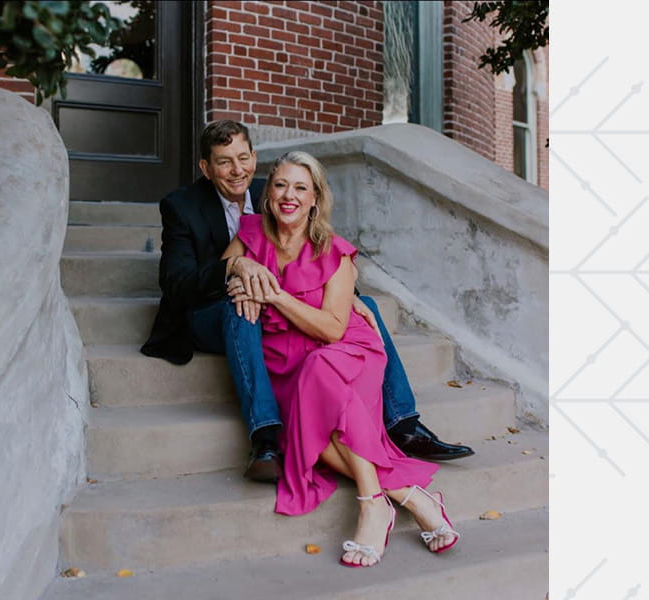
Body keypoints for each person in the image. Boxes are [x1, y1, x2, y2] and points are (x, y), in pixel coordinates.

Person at [140, 120, 473, 485]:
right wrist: (235, 269)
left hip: (272, 302)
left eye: (243, 158)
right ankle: (265, 436)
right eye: (224, 162)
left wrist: (351, 296)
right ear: (206, 168)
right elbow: (175, 283)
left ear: (254, 156)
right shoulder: (181, 206)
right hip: (211, 308)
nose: (238, 171)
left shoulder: (275, 189)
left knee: (367, 310)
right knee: (242, 310)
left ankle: (403, 423)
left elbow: (310, 252)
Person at [221, 150, 458, 566]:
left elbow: (332, 328)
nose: (288, 195)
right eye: (280, 185)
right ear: (269, 192)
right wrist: (239, 267)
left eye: (300, 188)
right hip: (283, 362)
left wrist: (274, 294)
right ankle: (411, 497)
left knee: (320, 377)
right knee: (312, 423)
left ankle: (372, 504)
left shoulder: (334, 251)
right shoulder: (251, 234)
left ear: (315, 199)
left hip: (344, 352)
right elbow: (221, 272)